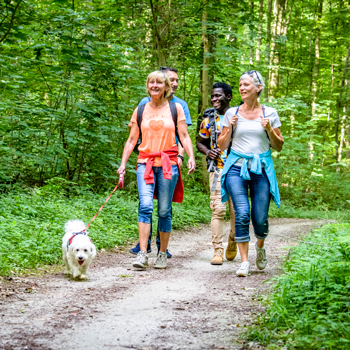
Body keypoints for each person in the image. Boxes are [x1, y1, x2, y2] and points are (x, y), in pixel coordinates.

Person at [117, 71, 196, 270]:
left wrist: (190, 157)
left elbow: (184, 136)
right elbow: (132, 139)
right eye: (151, 82)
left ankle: (162, 254)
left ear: (166, 87)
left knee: (163, 210)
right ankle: (143, 254)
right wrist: (123, 164)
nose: (155, 85)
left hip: (169, 163)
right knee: (145, 206)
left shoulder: (175, 108)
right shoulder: (140, 109)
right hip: (145, 163)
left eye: (159, 82)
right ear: (147, 86)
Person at [218, 70, 284, 277]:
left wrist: (270, 129)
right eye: (240, 85)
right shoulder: (232, 113)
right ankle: (244, 262)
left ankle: (260, 247)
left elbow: (279, 146)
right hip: (236, 167)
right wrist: (230, 128)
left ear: (258, 88)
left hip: (261, 168)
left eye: (246, 84)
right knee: (242, 213)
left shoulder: (270, 113)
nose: (242, 88)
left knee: (260, 217)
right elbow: (222, 145)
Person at [196, 83, 237, 265]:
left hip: (237, 170)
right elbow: (199, 142)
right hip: (217, 169)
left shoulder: (238, 118)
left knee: (237, 211)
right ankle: (217, 250)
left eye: (218, 96)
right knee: (218, 210)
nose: (214, 99)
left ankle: (233, 240)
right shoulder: (208, 120)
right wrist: (207, 151)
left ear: (228, 97)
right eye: (212, 96)